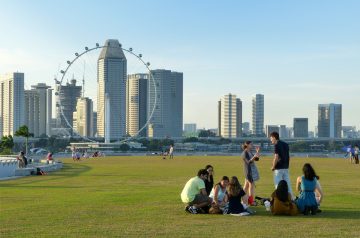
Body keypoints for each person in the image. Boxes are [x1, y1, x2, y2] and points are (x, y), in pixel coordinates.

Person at [270, 131, 294, 200]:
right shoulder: (286, 144)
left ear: (274, 137)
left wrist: (273, 167)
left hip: (278, 168)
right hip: (286, 167)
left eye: (271, 138)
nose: (270, 140)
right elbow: (289, 157)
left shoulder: (276, 145)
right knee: (288, 185)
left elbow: (276, 157)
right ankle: (292, 199)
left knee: (278, 185)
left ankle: (279, 200)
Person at [241, 141, 260, 206]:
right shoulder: (244, 153)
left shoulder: (250, 152)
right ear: (247, 145)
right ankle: (251, 201)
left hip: (252, 170)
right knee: (251, 186)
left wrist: (257, 152)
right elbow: (248, 162)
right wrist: (254, 156)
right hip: (248, 171)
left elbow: (256, 159)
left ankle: (243, 199)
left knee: (246, 186)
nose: (252, 145)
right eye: (251, 144)